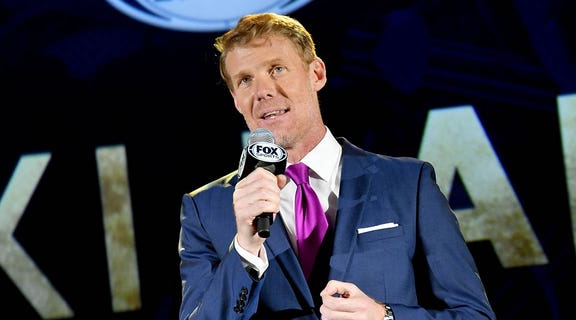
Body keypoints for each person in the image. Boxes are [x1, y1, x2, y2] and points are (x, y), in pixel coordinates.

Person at [178, 12, 496, 320]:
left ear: (317, 74)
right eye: (245, 80)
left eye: (276, 69)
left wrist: (385, 317)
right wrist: (246, 248)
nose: (262, 91)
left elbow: (474, 314)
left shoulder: (408, 183)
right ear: (235, 99)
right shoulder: (205, 210)